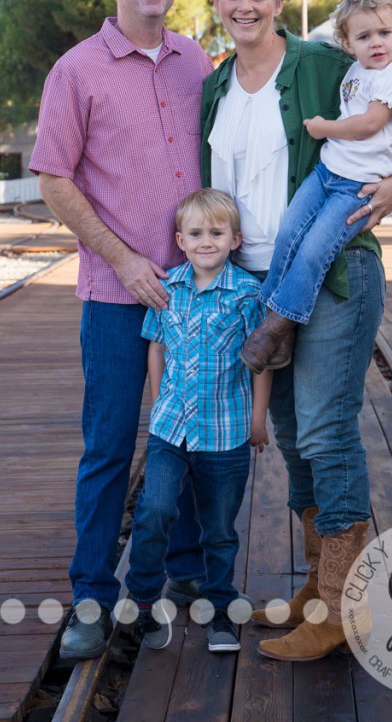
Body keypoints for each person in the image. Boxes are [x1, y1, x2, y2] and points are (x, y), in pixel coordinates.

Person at [201, 0, 392, 662]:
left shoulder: (324, 61)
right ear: (215, 2)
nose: (246, 6)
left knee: (326, 432)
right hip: (259, 280)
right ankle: (315, 591)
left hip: (334, 275)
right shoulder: (214, 86)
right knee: (294, 437)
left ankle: (341, 607)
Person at [29, 0, 214, 660]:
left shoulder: (195, 60)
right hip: (115, 290)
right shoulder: (75, 70)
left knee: (194, 435)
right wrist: (125, 258)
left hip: (195, 292)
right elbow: (52, 178)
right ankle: (90, 598)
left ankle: (192, 577)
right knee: (108, 445)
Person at [240, 0, 392, 374]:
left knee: (314, 250)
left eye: (385, 33)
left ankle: (273, 327)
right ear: (347, 43)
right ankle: (275, 321)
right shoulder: (354, 69)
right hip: (327, 172)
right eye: (364, 36)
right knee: (288, 233)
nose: (376, 43)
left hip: (357, 186)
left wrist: (324, 128)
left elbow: (371, 123)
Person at [125, 188, 272, 653]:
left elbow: (260, 361)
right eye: (195, 233)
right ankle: (143, 603)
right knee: (155, 510)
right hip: (171, 427)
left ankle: (221, 610)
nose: (206, 240)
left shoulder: (248, 294)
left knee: (220, 529)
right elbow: (157, 346)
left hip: (226, 431)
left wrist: (257, 419)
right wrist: (156, 403)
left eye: (216, 232)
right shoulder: (167, 288)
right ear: (180, 240)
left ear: (235, 239)